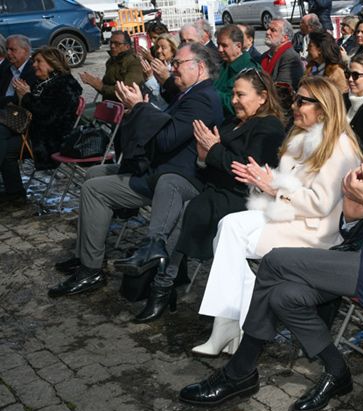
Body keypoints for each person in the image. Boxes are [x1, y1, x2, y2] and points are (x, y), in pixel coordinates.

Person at [178, 73, 363, 411]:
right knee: (283, 295)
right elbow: (358, 214)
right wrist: (353, 210)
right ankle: (336, 370)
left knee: (274, 264)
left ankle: (240, 372)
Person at [187, 76, 363, 356]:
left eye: (302, 101)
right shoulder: (301, 137)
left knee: (231, 232)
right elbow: (289, 185)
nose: (294, 106)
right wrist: (267, 181)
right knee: (228, 227)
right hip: (289, 217)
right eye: (296, 99)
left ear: (323, 107)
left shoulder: (340, 147)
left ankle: (229, 324)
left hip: (316, 231)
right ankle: (230, 323)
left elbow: (320, 203)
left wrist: (274, 188)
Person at [48, 44, 224, 301]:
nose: (172, 68)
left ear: (199, 67)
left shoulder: (203, 99)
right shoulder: (191, 93)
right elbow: (164, 127)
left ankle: (91, 270)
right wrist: (142, 106)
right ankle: (86, 253)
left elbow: (166, 139)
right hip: (160, 167)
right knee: (94, 174)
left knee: (94, 190)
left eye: (178, 63)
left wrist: (140, 107)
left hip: (175, 178)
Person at [136, 69, 286, 326]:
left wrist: (214, 150)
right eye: (233, 94)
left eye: (241, 95)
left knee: (188, 211)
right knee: (170, 182)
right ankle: (153, 247)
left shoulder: (268, 127)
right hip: (213, 184)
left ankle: (162, 284)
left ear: (262, 97)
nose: (235, 100)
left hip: (242, 197)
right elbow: (211, 159)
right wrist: (204, 157)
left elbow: (247, 170)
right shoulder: (232, 120)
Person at [0, 47, 82, 201]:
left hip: (51, 139)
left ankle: (15, 193)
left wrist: (26, 96)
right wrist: (22, 97)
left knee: (5, 147)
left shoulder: (65, 85)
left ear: (52, 64)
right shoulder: (44, 82)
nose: (34, 65)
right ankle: (14, 192)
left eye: (39, 62)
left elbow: (47, 116)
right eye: (34, 61)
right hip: (36, 132)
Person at [79, 30, 144, 102]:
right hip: (110, 104)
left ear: (127, 46)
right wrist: (94, 82)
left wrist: (100, 87)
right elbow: (105, 85)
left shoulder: (134, 62)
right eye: (111, 43)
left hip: (127, 107)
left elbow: (128, 90)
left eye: (117, 44)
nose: (112, 46)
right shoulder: (111, 61)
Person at [213, 25, 259, 117]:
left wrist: (212, 94)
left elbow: (240, 105)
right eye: (218, 45)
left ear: (238, 46)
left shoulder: (249, 70)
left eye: (224, 45)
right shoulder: (223, 65)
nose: (220, 49)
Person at [261, 18, 304, 90]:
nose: (267, 32)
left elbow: (283, 90)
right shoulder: (265, 55)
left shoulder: (290, 57)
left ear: (285, 38)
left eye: (273, 30)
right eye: (268, 28)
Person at [0, 35, 38, 108]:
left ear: (26, 51)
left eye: (12, 49)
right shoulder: (6, 68)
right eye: (7, 49)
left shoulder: (34, 70)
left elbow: (19, 99)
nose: (8, 53)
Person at [141, 33, 178, 105]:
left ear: (173, 51)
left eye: (163, 48)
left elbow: (164, 100)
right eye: (157, 47)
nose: (158, 51)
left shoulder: (176, 70)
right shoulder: (154, 67)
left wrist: (150, 78)